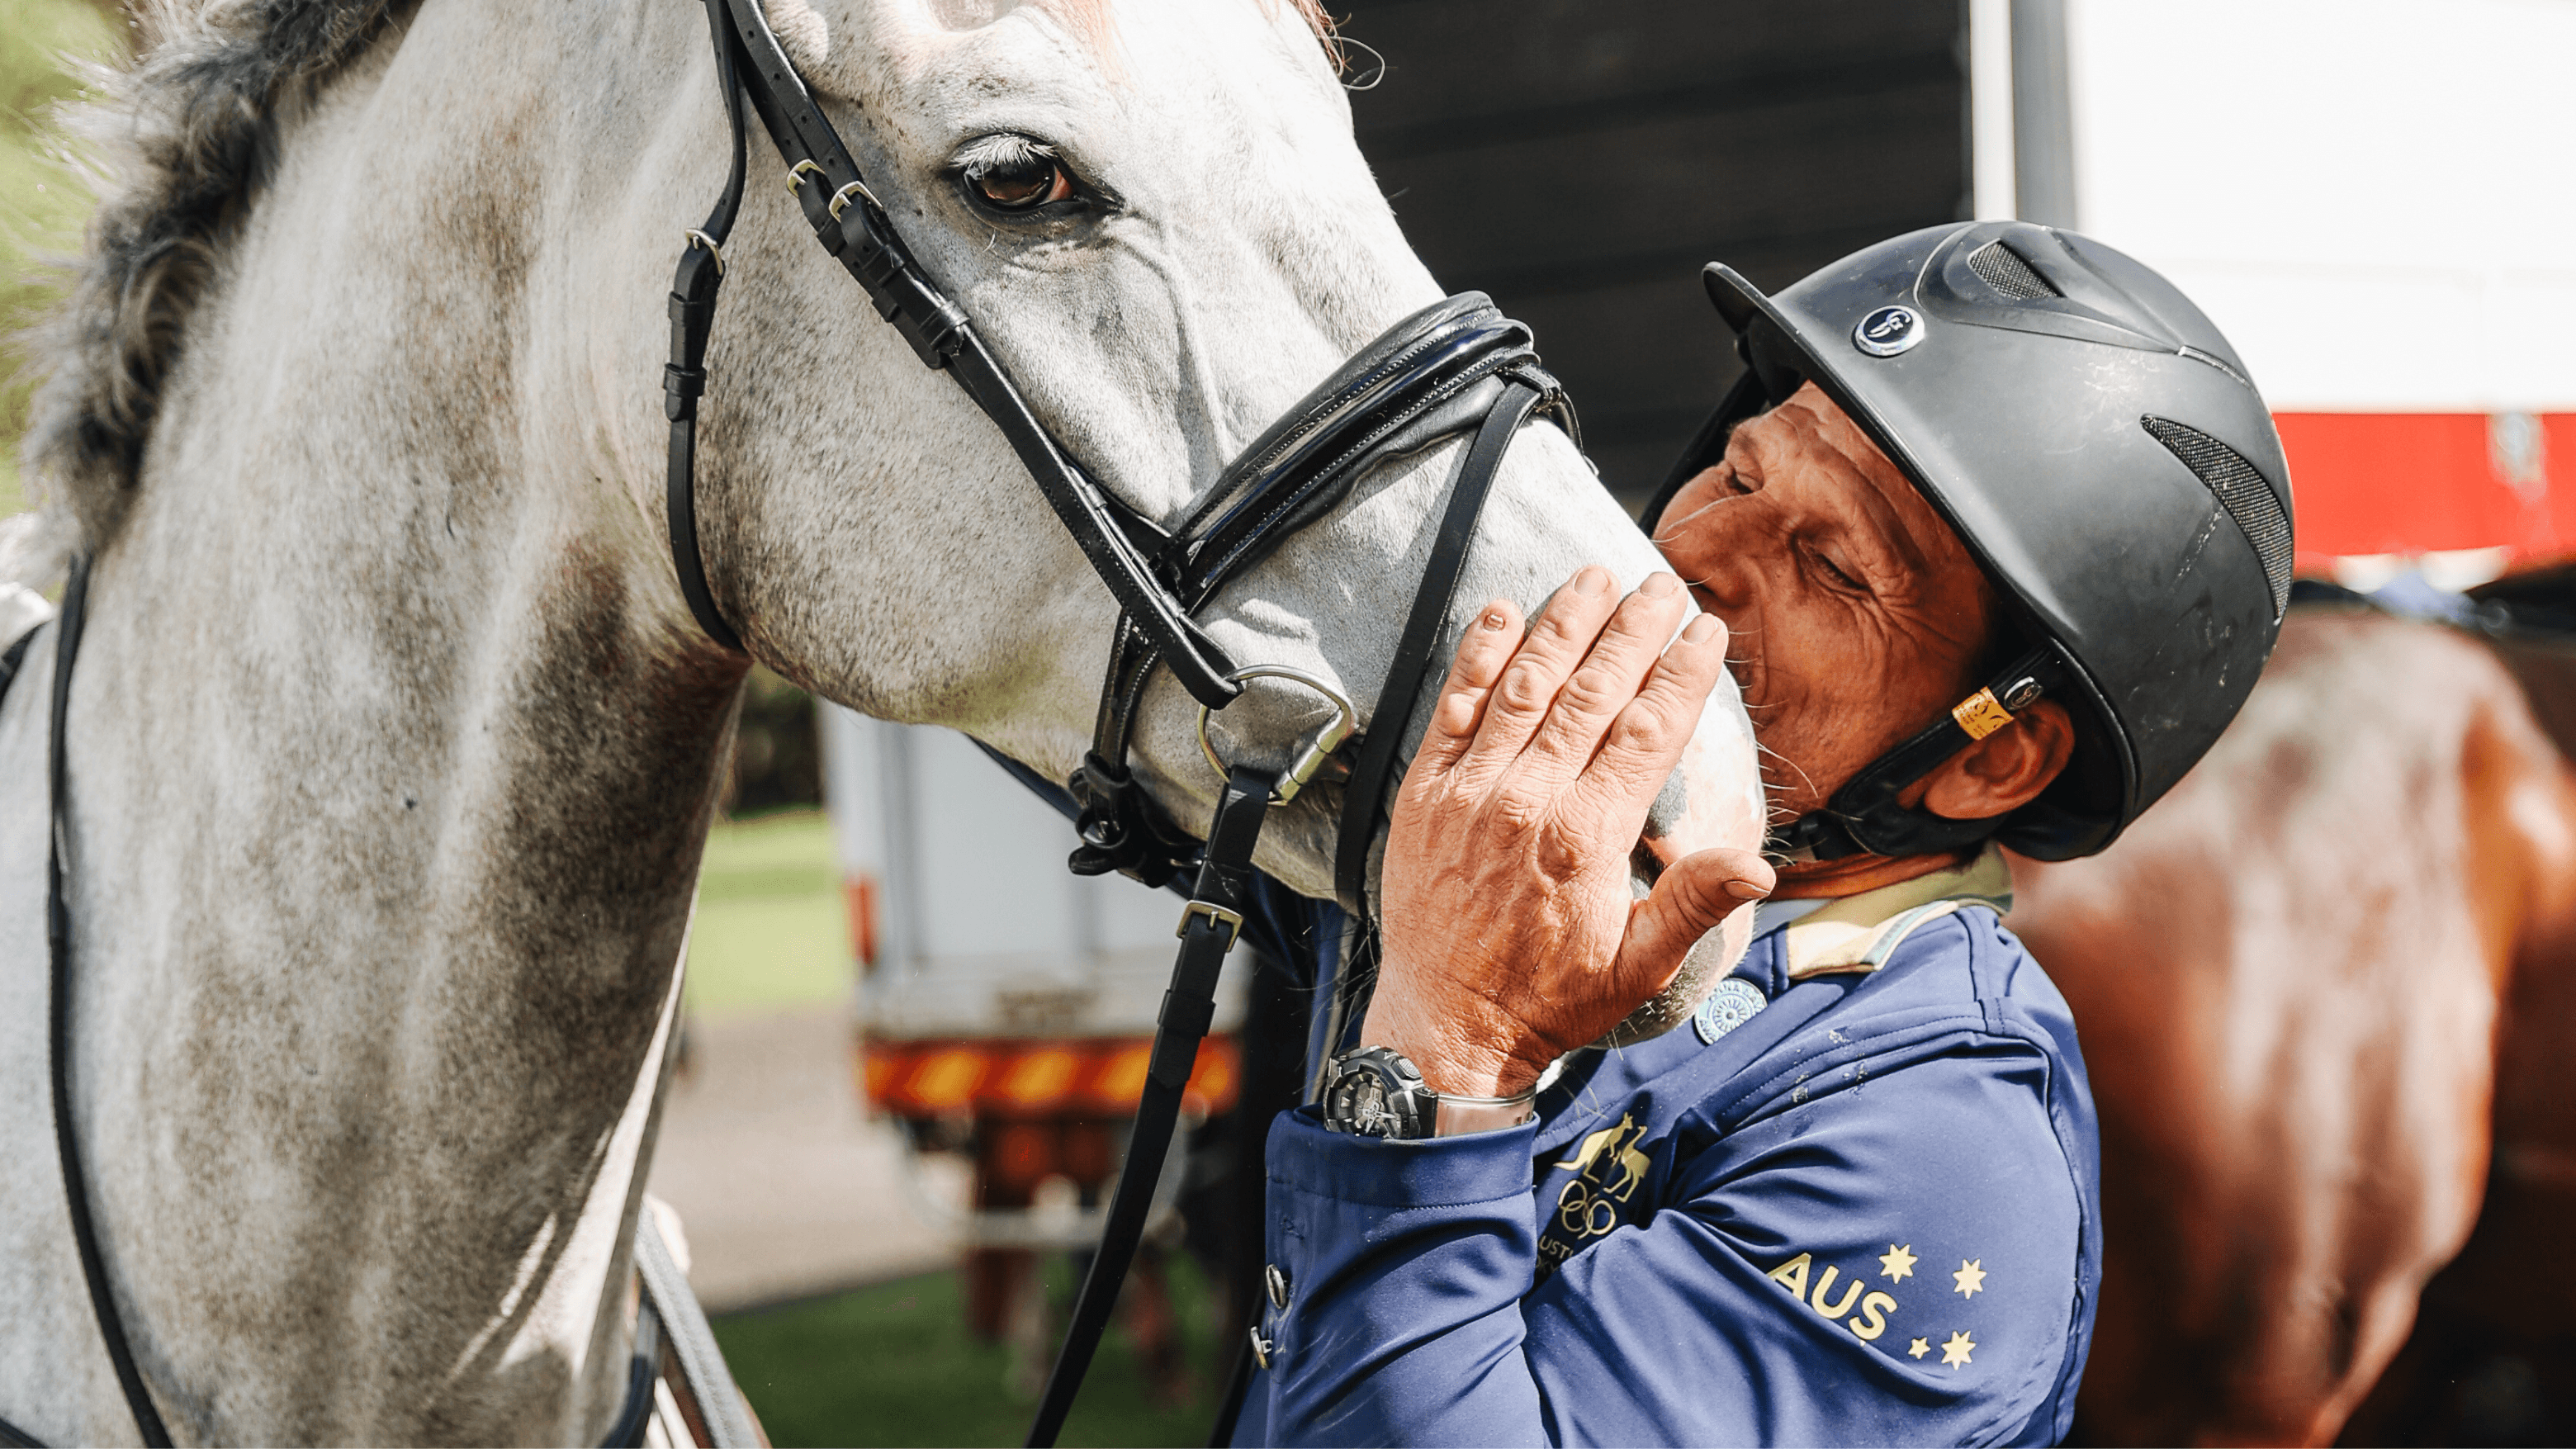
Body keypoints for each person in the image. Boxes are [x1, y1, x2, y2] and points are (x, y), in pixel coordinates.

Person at [1227, 220, 2295, 1445]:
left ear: (1990, 753)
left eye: (1833, 566)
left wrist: (1454, 1053)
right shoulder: (1540, 848)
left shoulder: (1942, 1156)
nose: (1691, 560)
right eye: (1737, 475)